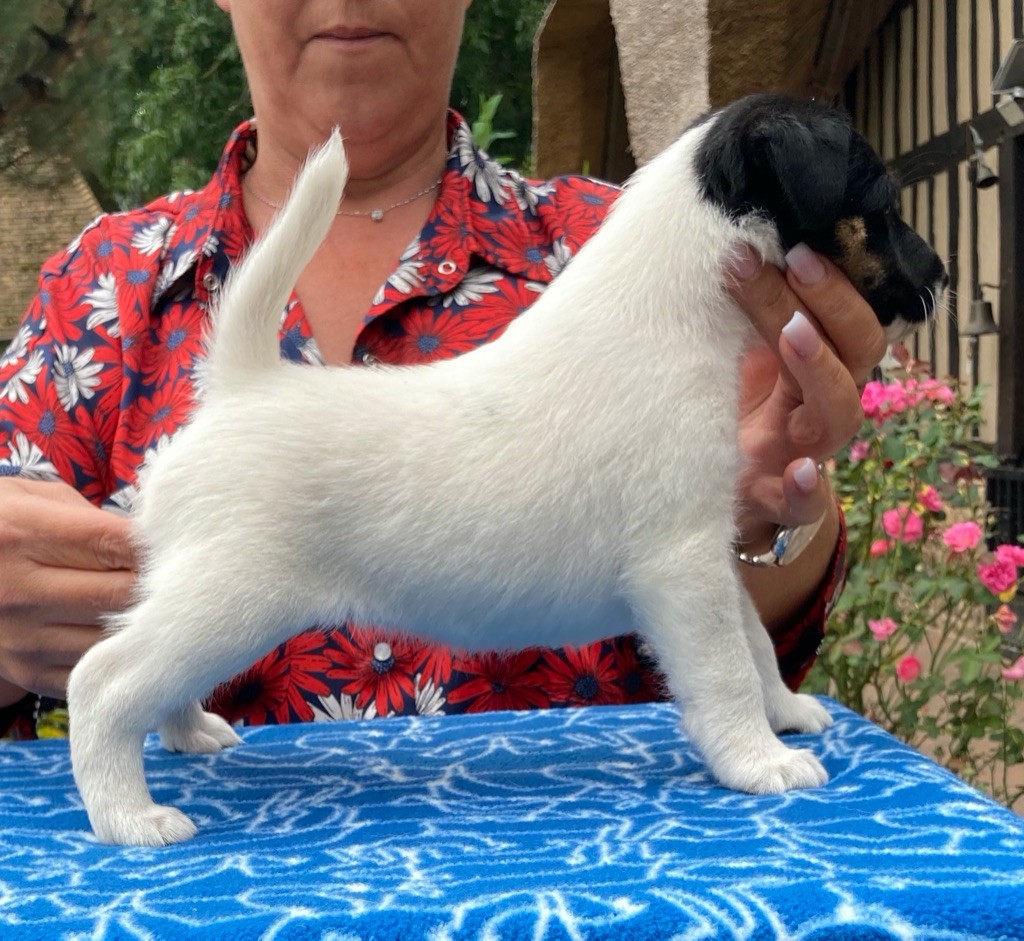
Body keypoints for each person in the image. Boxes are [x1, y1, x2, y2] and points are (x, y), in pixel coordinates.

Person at [0, 0, 884, 740]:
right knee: (206, 615)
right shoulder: (101, 286)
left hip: (586, 862)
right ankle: (145, 709)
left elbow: (708, 570)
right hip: (252, 865)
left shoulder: (621, 251)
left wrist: (763, 511)